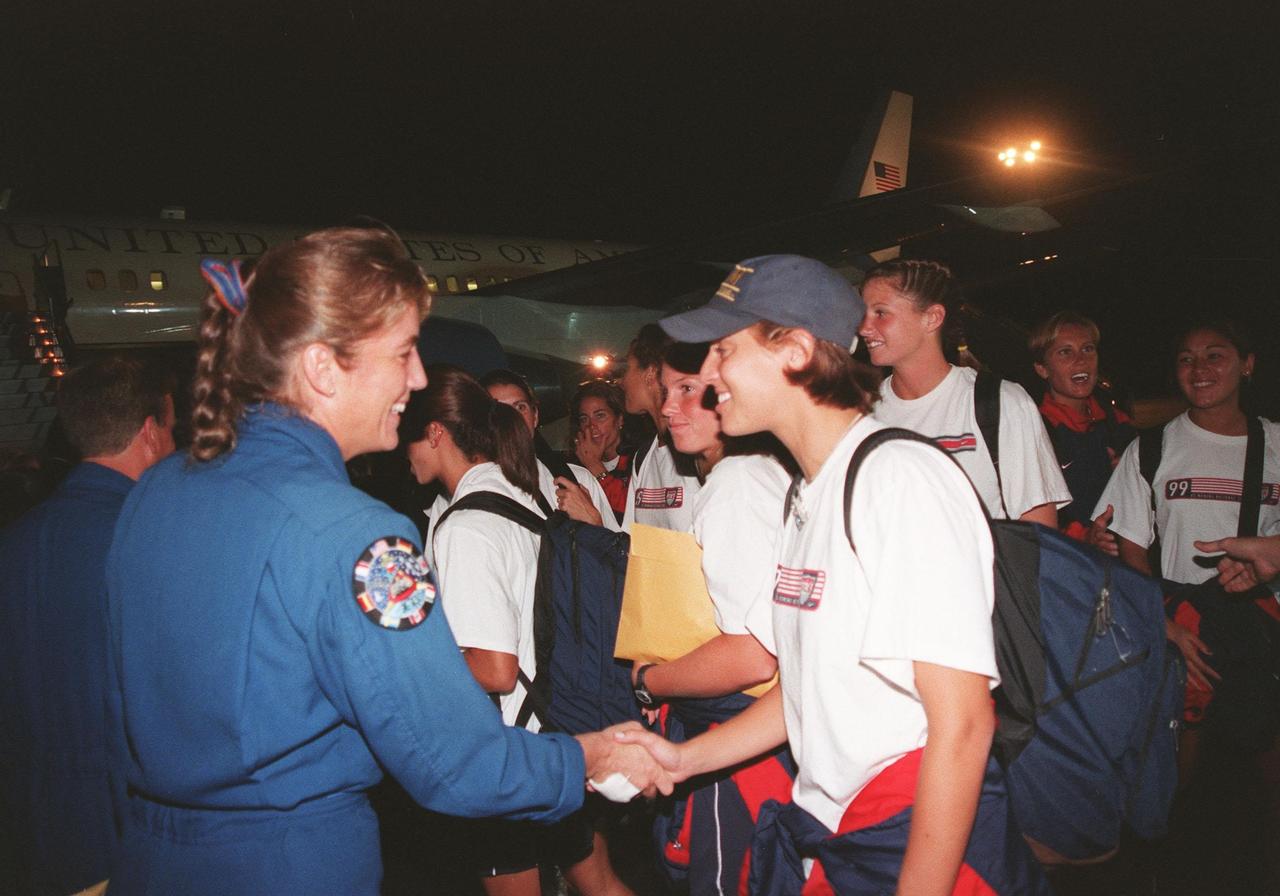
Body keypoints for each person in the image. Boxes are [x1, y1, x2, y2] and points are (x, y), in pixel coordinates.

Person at [102, 228, 667, 895]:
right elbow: (454, 761)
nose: (419, 378)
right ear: (320, 368)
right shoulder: (359, 536)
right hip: (290, 867)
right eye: (403, 353)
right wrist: (590, 756)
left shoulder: (156, 492)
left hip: (152, 861)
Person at [621, 255, 1045, 894]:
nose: (706, 374)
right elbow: (808, 688)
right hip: (835, 830)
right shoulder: (809, 493)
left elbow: (961, 724)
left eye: (723, 351)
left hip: (912, 838)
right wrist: (684, 759)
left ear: (794, 350)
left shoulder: (899, 480)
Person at [0, 353, 175, 896]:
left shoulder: (18, 542)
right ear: (150, 432)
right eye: (171, 429)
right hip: (131, 834)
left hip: (39, 833)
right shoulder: (151, 542)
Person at [629, 339, 793, 895]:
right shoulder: (765, 469)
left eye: (688, 390)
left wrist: (649, 682)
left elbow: (752, 653)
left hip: (744, 734)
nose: (669, 406)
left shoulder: (736, 485)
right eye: (667, 389)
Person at [860, 259, 1070, 525]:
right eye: (862, 313)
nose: (864, 328)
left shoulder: (999, 402)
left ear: (932, 318)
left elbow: (1038, 531)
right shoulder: (860, 411)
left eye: (880, 313)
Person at [1028, 310, 1135, 539]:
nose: (1081, 360)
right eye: (1065, 352)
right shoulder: (1034, 431)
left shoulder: (1118, 424)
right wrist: (1085, 538)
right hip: (1072, 561)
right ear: (1042, 369)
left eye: (1088, 349)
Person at [481, 368, 618, 530]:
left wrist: (593, 524)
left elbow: (616, 551)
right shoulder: (470, 489)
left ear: (535, 416)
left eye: (520, 407)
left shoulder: (577, 480)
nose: (513, 419)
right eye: (500, 410)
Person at [618, 324, 701, 532]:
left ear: (650, 373)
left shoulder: (696, 451)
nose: (622, 381)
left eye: (627, 368)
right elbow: (630, 538)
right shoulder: (643, 457)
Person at [571, 380, 631, 521]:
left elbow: (632, 509)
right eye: (584, 419)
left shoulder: (639, 459)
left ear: (619, 420)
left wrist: (595, 466)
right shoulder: (575, 465)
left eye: (600, 416)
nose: (591, 426)